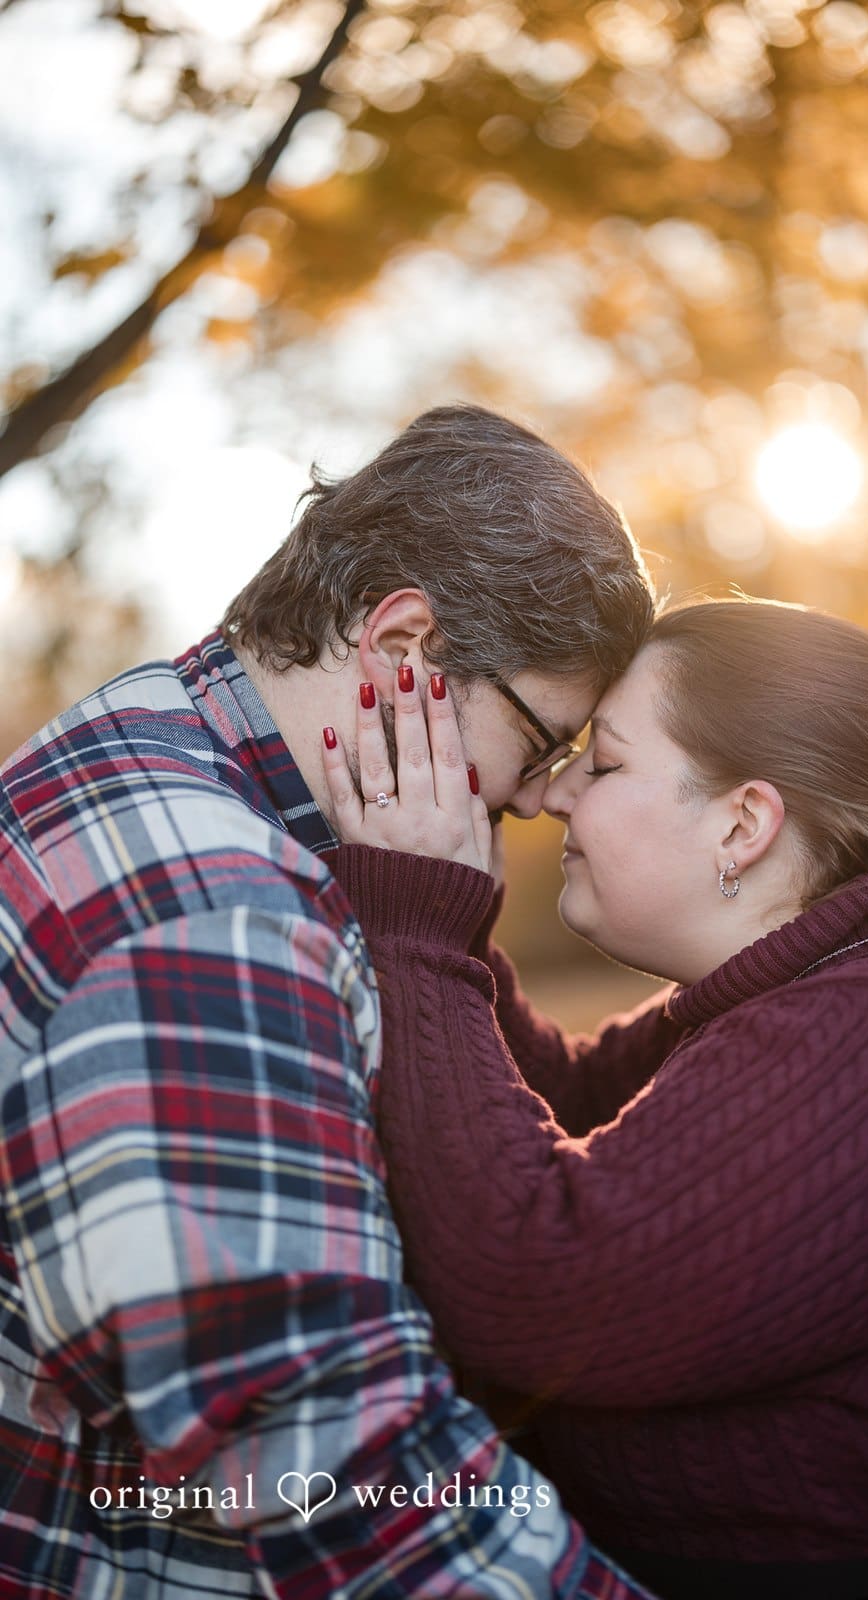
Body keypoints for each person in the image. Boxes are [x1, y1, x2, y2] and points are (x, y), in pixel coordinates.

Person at [0, 404, 660, 1599]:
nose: (532, 800)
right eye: (542, 742)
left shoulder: (153, 736)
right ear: (405, 645)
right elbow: (337, 1466)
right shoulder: (219, 922)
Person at [323, 596, 868, 1600]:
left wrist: (417, 927)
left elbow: (538, 1287)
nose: (551, 796)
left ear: (742, 823)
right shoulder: (827, 983)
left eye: (602, 763)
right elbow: (564, 1100)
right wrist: (440, 903)